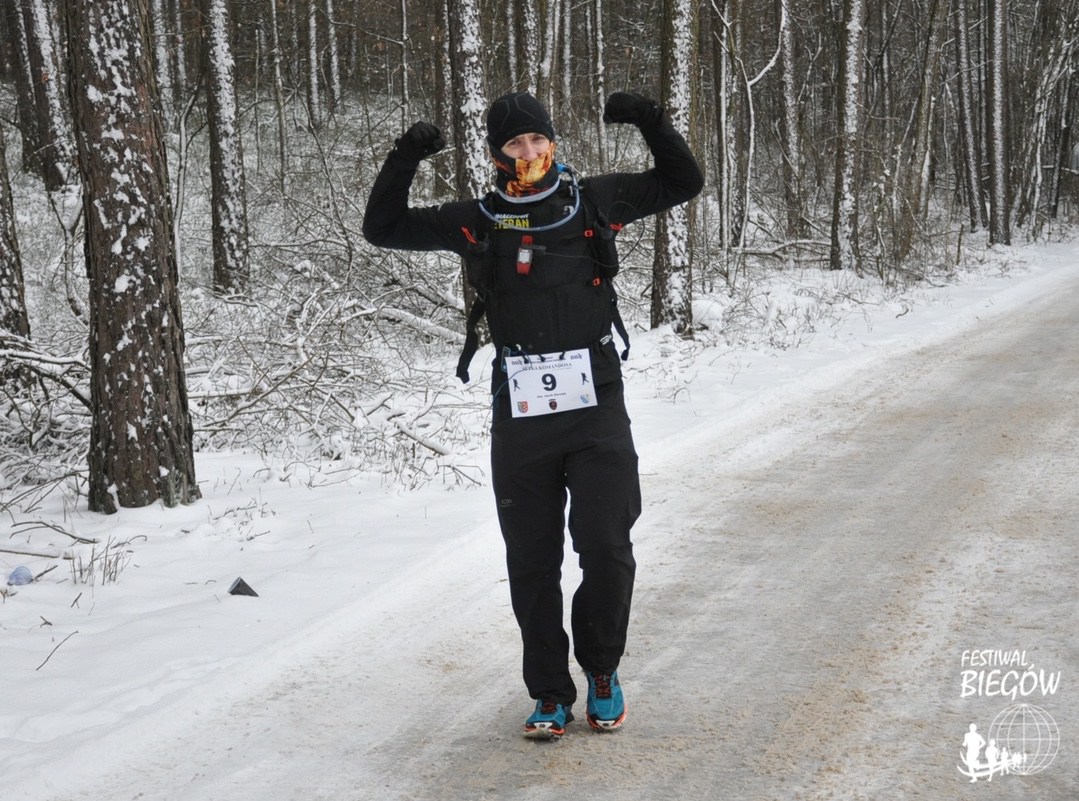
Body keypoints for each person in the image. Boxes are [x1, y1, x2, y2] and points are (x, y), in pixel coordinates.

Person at [362, 90, 703, 739]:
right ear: (497, 153)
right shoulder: (479, 220)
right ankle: (549, 690)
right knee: (532, 559)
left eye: (537, 139)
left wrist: (650, 120)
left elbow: (682, 181)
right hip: (520, 407)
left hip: (596, 399)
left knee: (606, 546)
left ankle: (601, 670)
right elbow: (384, 227)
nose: (528, 151)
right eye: (514, 143)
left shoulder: (594, 201)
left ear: (552, 142)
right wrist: (405, 155)